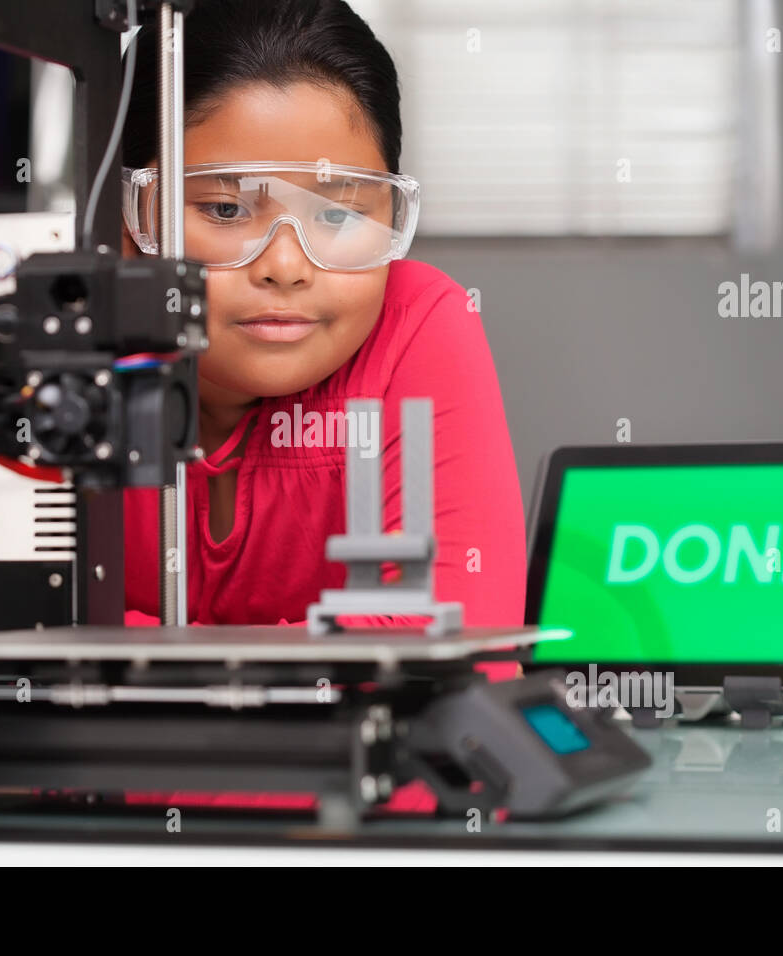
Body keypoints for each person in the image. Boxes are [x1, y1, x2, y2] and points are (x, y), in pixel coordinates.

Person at [116, 0, 526, 811]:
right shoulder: (53, 349)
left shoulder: (421, 320)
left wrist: (127, 668)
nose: (286, 266)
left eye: (338, 214)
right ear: (132, 221)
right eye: (226, 209)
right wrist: (334, 671)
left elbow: (447, 689)